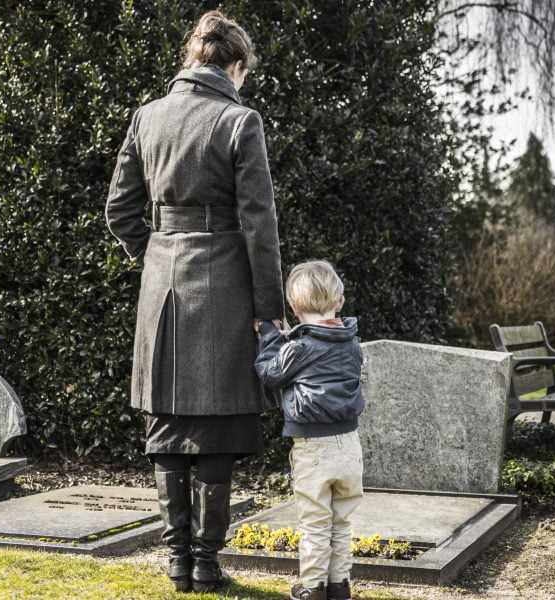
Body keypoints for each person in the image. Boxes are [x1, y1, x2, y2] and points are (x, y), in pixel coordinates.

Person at [105, 9, 285, 594]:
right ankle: (206, 563)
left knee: (168, 419)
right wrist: (269, 309)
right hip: (225, 284)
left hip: (161, 284)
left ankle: (178, 561)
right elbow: (259, 224)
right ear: (235, 66)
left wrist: (156, 252)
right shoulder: (240, 120)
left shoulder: (147, 116)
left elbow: (119, 211)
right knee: (217, 425)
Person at [254, 261, 365, 600]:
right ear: (340, 302)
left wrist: (270, 337)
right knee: (341, 521)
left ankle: (313, 587)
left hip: (313, 446)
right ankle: (339, 584)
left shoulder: (299, 347)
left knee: (315, 521)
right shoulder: (352, 342)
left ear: (294, 306)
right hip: (349, 444)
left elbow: (270, 373)